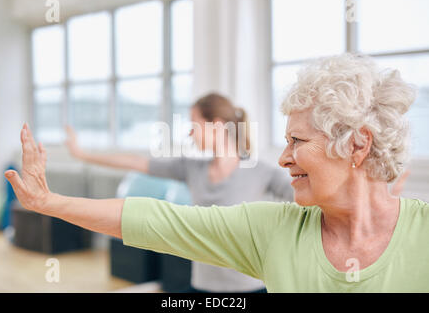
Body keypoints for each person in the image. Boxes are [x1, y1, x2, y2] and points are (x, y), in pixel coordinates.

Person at [5, 53, 429, 292]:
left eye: (297, 142)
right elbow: (159, 219)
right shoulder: (271, 230)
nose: (284, 157)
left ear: (358, 144)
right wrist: (50, 201)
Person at [64, 93, 294, 293]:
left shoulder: (262, 172)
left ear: (216, 124)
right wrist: (82, 155)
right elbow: (136, 162)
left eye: (194, 124)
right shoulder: (191, 168)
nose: (190, 134)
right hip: (202, 284)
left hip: (250, 287)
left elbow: (305, 201)